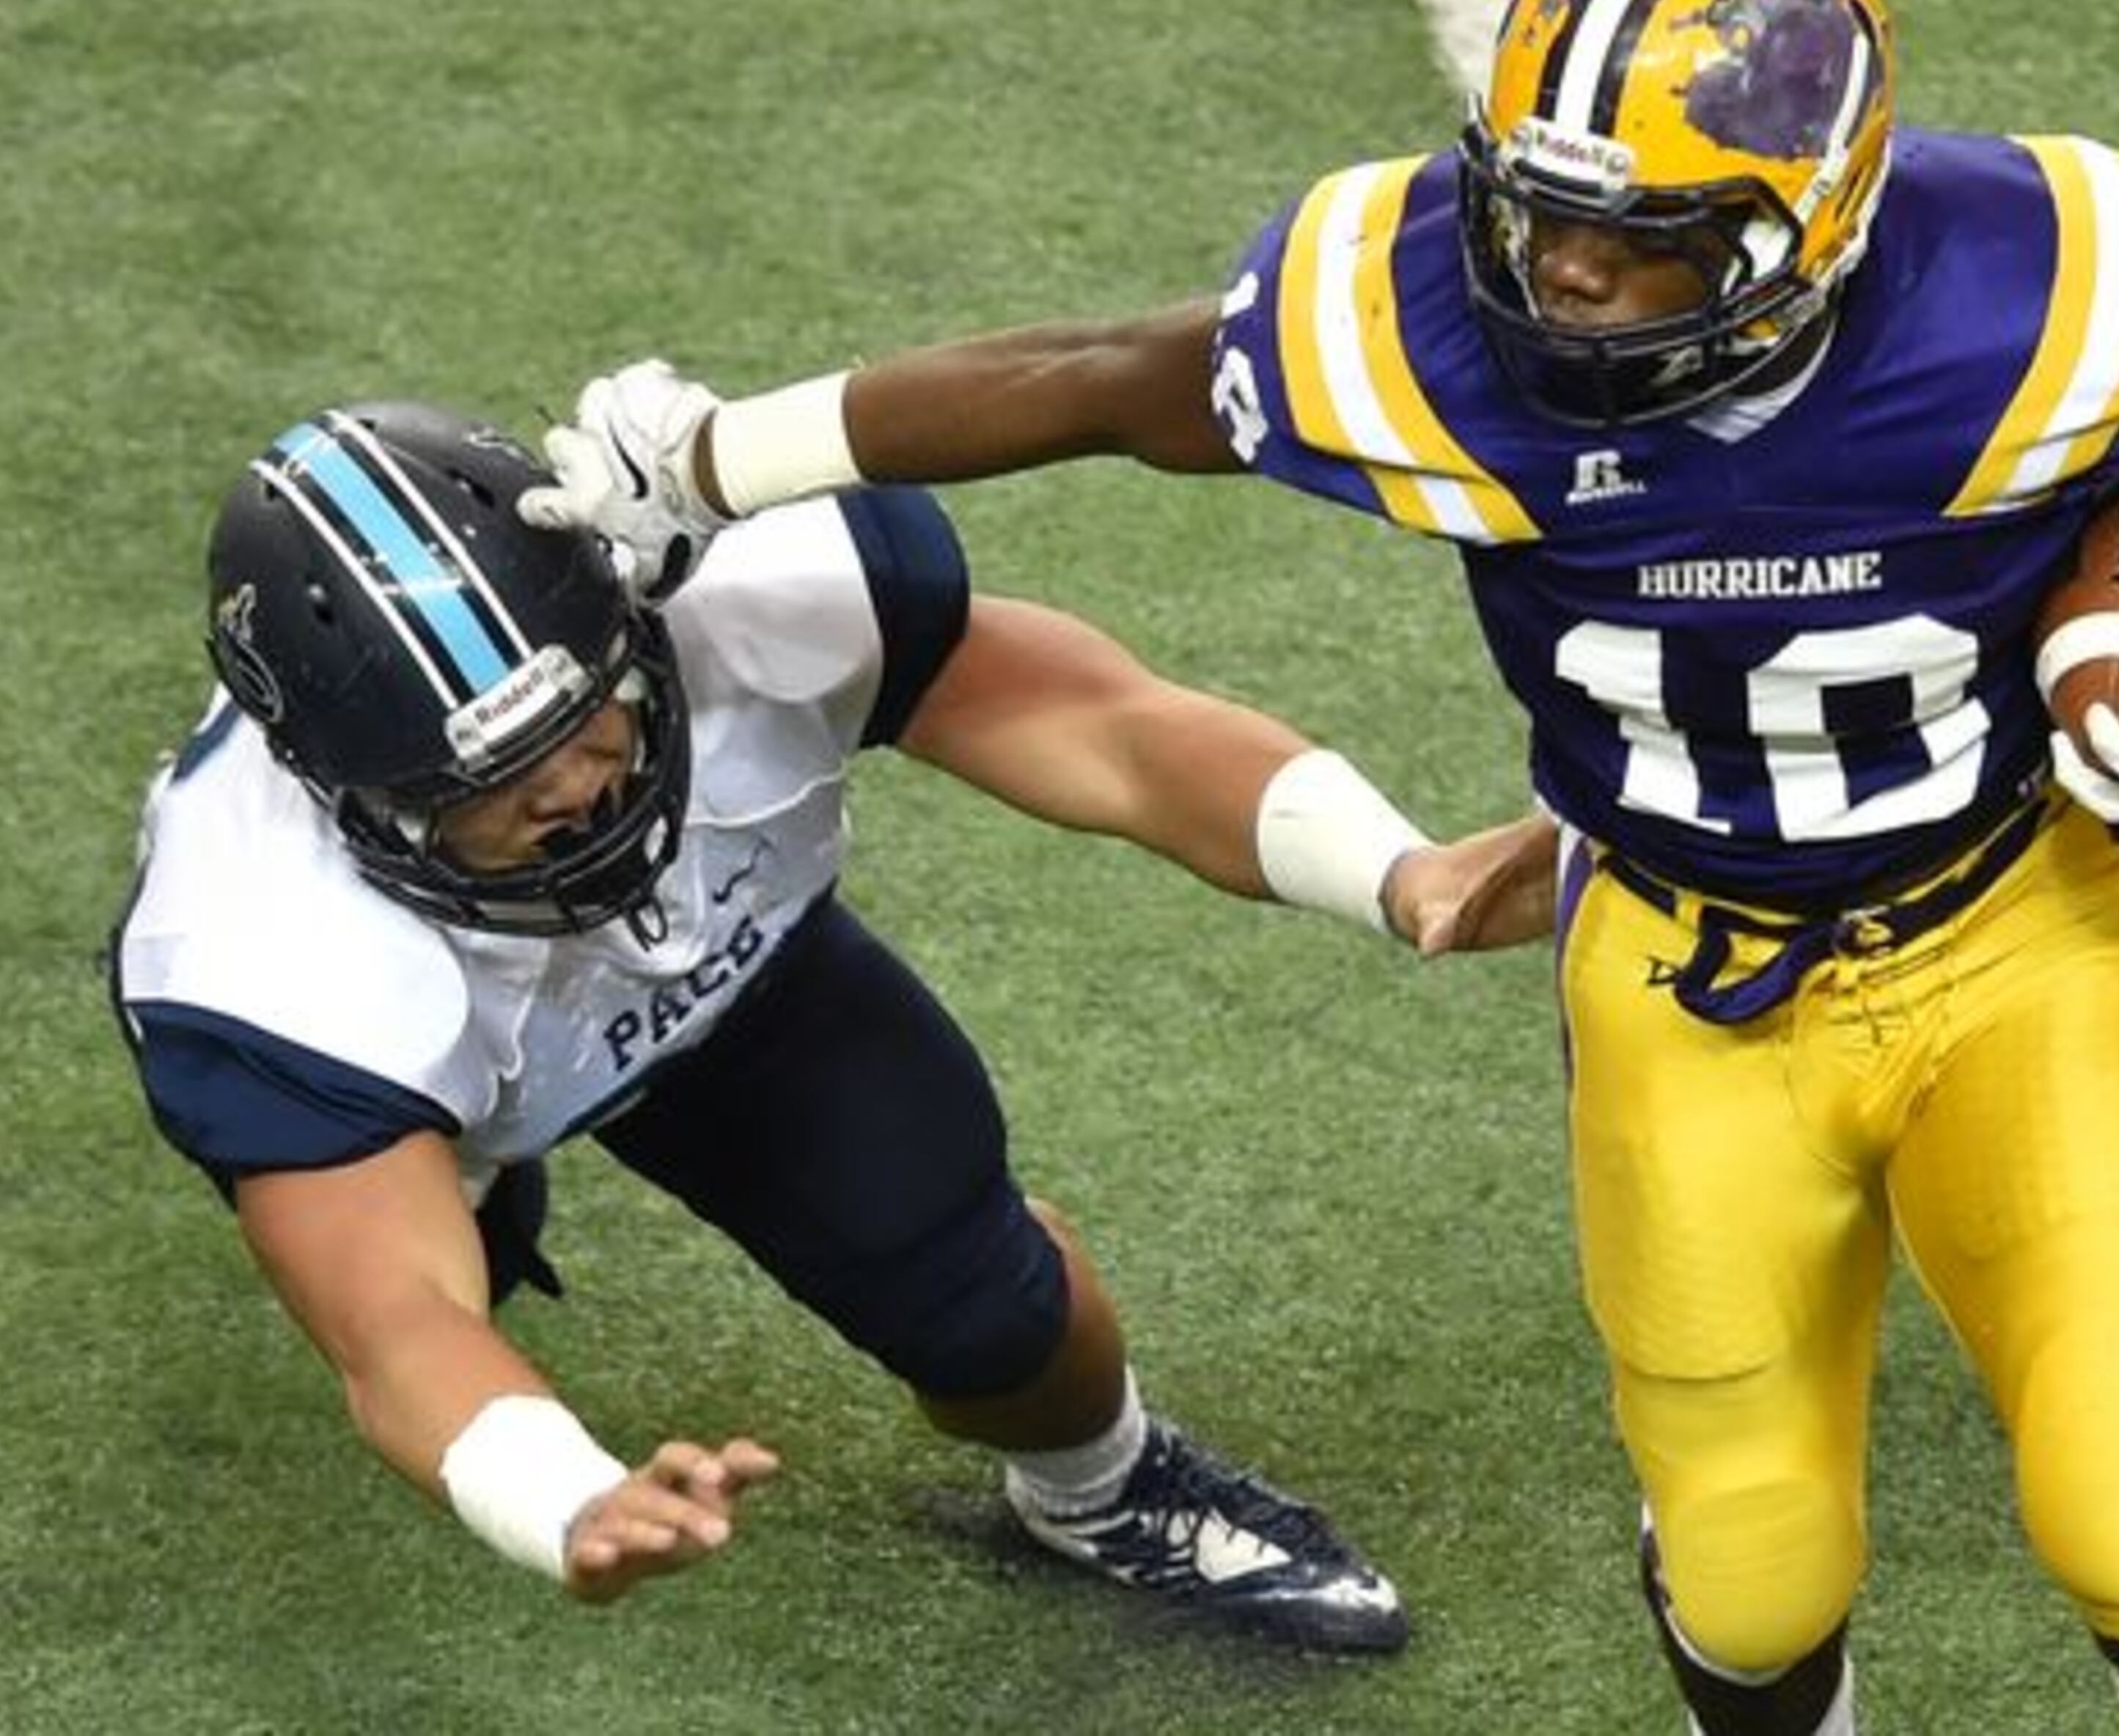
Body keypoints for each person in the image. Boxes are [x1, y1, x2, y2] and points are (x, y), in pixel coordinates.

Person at [529, 0, 2119, 1734]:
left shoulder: (2050, 279)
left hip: (2018, 923)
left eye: (1641, 240)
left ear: (1815, 222)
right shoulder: (1415, 319)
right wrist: (710, 458)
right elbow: (1093, 382)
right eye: (1535, 211)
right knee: (1751, 1577)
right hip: (1683, 964)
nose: (1562, 276)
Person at [109, 400, 1549, 1648]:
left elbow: (1114, 730)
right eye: (491, 786)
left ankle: (1100, 1492)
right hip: (437, 1039)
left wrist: (1396, 870)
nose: (579, 791)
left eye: (592, 716)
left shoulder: (739, 593)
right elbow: (401, 1327)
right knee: (454, 1263)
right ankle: (489, 1165)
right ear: (348, 797)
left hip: (730, 955)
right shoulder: (269, 953)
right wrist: (566, 1497)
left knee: (982, 1295)